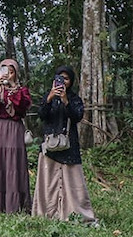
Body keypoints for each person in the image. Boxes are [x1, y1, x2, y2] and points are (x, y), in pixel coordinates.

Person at [32, 65, 96, 224]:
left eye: (66, 78)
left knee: (73, 181)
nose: (62, 81)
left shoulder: (74, 98)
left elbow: (77, 116)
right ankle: (48, 212)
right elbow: (41, 115)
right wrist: (49, 98)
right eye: (59, 78)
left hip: (69, 145)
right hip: (50, 145)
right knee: (48, 182)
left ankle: (74, 212)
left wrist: (65, 100)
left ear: (71, 81)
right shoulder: (49, 96)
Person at [0, 57, 32, 216]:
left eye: (11, 72)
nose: (8, 75)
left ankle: (16, 206)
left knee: (14, 165)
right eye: (5, 72)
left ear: (16, 74)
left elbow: (22, 107)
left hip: (14, 129)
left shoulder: (22, 91)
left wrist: (13, 88)